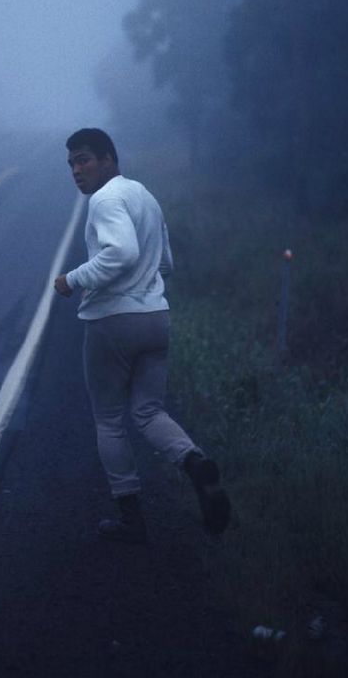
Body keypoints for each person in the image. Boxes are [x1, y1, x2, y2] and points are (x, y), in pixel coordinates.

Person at [54, 128, 230, 544]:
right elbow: (163, 262)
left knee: (109, 419)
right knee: (149, 412)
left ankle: (131, 520)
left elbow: (122, 252)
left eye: (84, 160)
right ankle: (195, 464)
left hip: (113, 322)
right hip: (155, 318)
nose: (77, 171)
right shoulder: (144, 196)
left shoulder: (105, 199)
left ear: (109, 160)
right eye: (71, 164)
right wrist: (144, 289)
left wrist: (73, 278)